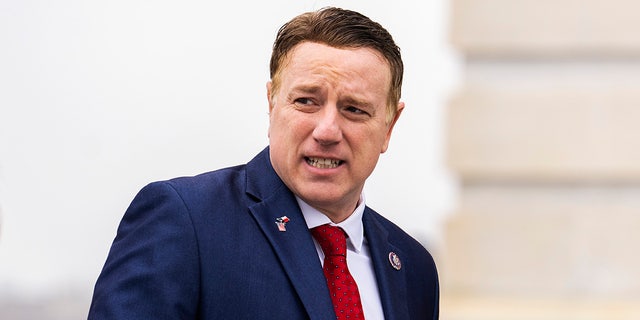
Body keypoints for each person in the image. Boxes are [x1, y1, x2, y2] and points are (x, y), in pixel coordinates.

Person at [89, 7, 439, 320]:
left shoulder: (414, 268)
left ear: (389, 127)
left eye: (354, 109)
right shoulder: (186, 222)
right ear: (272, 105)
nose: (328, 130)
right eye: (306, 101)